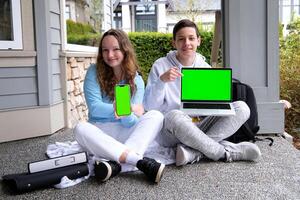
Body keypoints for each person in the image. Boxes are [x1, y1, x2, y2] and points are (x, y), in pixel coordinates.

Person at [144, 19, 261, 166]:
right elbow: (150, 107)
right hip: (173, 129)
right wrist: (162, 81)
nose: (187, 43)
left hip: (199, 125)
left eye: (191, 38)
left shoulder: (204, 67)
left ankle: (192, 153)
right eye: (181, 39)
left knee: (242, 108)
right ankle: (224, 153)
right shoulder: (160, 65)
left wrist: (216, 101)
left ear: (198, 41)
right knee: (174, 115)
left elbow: (210, 105)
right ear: (174, 43)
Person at [74, 29, 165, 183]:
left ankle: (116, 165)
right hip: (100, 131)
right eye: (105, 50)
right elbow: (95, 108)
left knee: (157, 116)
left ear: (125, 50)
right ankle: (136, 160)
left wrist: (126, 112)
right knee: (80, 128)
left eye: (116, 49)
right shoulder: (93, 72)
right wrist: (124, 108)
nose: (110, 55)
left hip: (126, 132)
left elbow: (131, 122)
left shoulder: (136, 80)